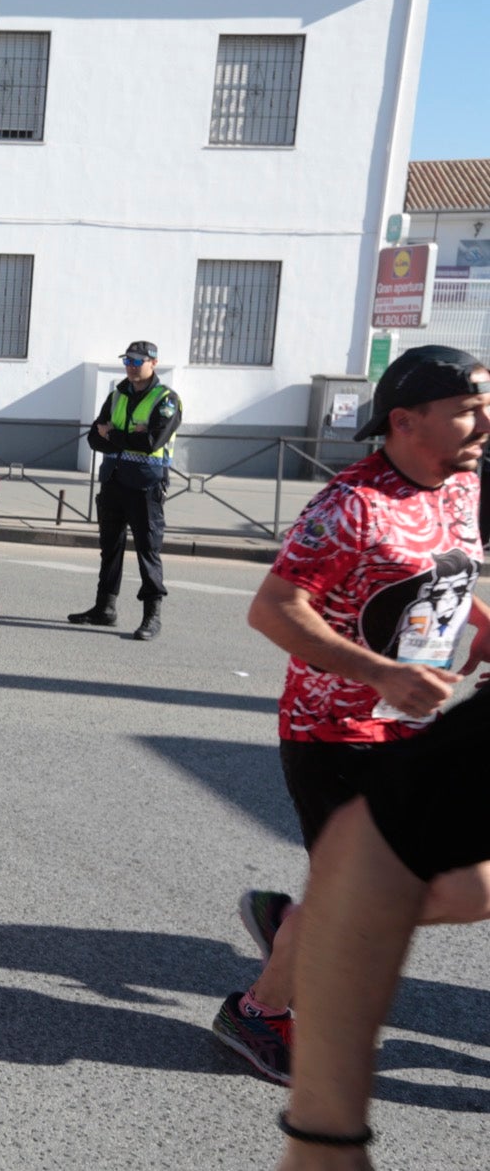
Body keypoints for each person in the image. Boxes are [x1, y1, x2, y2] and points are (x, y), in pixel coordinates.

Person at [211, 344, 489, 1087]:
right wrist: (381, 672)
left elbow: (441, 569)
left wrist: (481, 622)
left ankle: (302, 924)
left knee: (473, 887)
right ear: (404, 420)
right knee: (432, 890)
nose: (485, 420)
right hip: (336, 734)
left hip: (410, 729)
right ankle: (260, 1010)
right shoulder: (349, 506)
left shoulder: (461, 483)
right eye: (467, 407)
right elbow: (272, 609)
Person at [274, 689, 487, 1170]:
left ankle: (307, 931)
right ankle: (270, 987)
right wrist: (323, 1142)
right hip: (338, 734)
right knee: (460, 890)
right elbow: (375, 838)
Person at [68, 340, 183, 640]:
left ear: (153, 363)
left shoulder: (166, 400)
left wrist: (114, 435)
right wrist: (125, 435)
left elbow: (151, 443)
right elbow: (95, 437)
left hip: (146, 484)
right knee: (110, 548)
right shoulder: (117, 395)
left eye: (137, 361)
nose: (131, 366)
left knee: (148, 550)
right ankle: (104, 608)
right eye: (127, 361)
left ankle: (151, 616)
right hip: (114, 481)